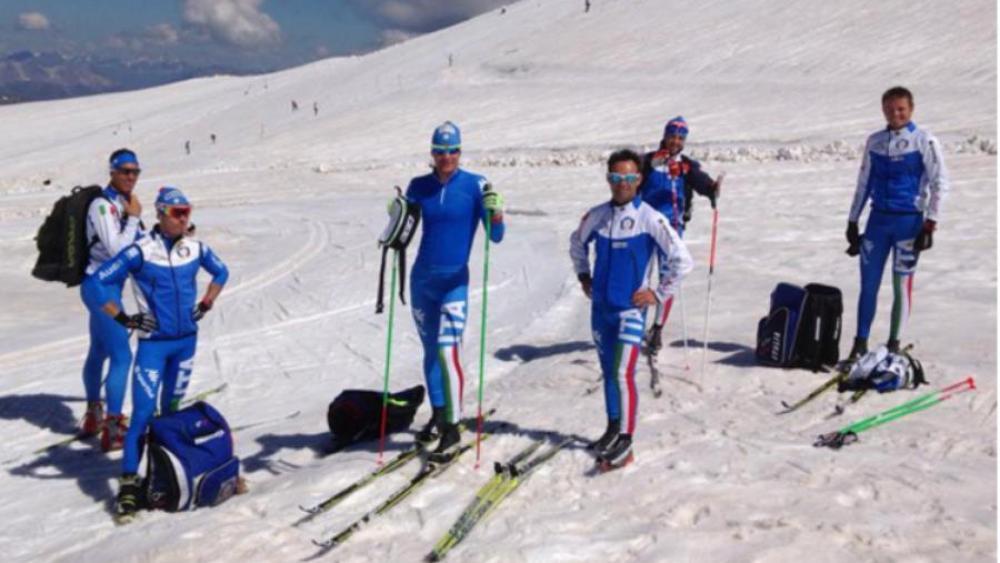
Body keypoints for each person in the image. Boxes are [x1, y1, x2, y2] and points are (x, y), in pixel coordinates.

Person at [82, 186, 228, 519]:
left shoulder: (195, 247)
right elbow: (93, 285)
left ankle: (165, 475)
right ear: (161, 213)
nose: (185, 217)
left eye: (187, 210)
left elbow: (222, 272)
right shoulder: (140, 251)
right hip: (153, 348)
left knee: (172, 413)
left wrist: (206, 302)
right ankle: (129, 487)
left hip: (186, 344)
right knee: (142, 419)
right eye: (178, 212)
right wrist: (120, 316)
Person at [570, 149, 693, 469]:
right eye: (615, 178)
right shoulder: (597, 215)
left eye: (628, 178)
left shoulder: (651, 217)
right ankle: (613, 429)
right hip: (601, 311)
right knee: (610, 372)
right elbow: (576, 243)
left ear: (639, 180)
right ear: (608, 179)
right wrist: (584, 275)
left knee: (624, 374)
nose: (621, 184)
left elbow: (682, 260)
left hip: (629, 311)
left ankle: (626, 443)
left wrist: (657, 292)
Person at [403, 121, 505, 460]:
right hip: (421, 283)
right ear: (432, 153)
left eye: (452, 151)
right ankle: (439, 410)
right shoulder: (418, 186)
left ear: (460, 151)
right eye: (440, 151)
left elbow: (496, 236)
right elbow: (400, 233)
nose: (446, 157)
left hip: (454, 284)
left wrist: (497, 213)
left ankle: (452, 428)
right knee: (432, 352)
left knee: (448, 353)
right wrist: (396, 216)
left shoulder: (476, 185)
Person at [846, 86, 948, 359]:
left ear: (911, 109)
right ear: (883, 110)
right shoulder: (875, 141)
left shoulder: (924, 140)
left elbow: (940, 183)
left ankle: (894, 343)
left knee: (901, 285)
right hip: (877, 222)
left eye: (901, 109)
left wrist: (930, 224)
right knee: (868, 284)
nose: (896, 114)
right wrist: (853, 221)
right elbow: (864, 182)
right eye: (890, 109)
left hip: (909, 223)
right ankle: (860, 343)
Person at [80, 148, 144, 452]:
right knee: (122, 355)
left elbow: (135, 244)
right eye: (125, 171)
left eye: (135, 172)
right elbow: (117, 247)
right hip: (101, 290)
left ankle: (94, 414)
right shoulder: (102, 206)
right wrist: (133, 219)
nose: (130, 177)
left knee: (100, 349)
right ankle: (114, 427)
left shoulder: (121, 203)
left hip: (106, 288)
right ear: (112, 172)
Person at [639, 116, 720, 354]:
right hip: (644, 226)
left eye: (680, 137)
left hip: (672, 228)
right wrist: (654, 164)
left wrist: (713, 189)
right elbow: (634, 176)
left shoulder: (686, 165)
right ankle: (636, 325)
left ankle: (657, 328)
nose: (675, 141)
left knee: (669, 278)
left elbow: (702, 183)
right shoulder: (647, 161)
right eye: (672, 136)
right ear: (664, 135)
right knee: (641, 277)